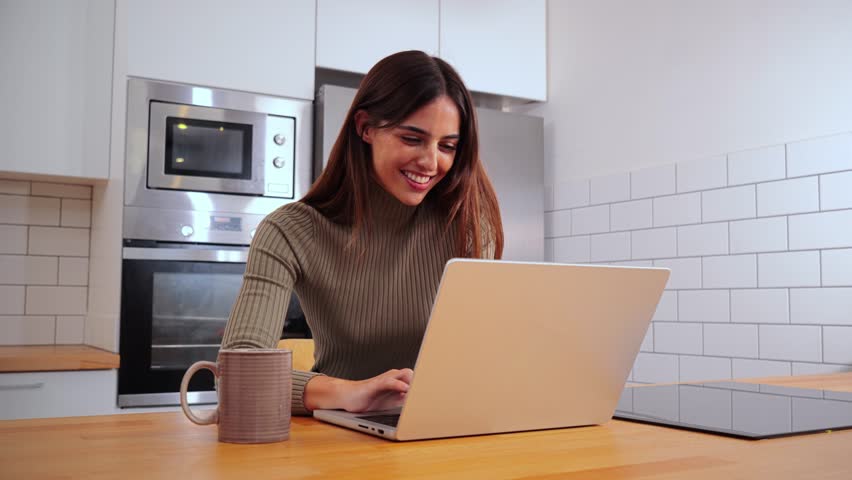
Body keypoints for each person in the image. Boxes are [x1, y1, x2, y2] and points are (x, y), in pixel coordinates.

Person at [220, 50, 504, 416]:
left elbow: (485, 355)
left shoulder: (469, 228)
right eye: (412, 138)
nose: (432, 163)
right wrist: (350, 394)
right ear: (365, 127)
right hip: (339, 437)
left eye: (447, 146)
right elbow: (235, 377)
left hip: (447, 429)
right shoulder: (288, 231)